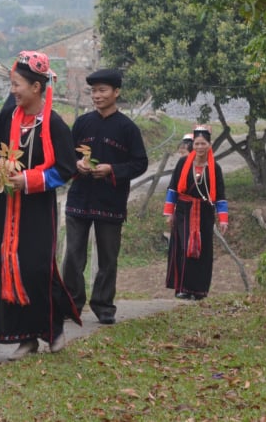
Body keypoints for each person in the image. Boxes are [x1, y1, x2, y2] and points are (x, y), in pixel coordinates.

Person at [0, 51, 81, 361]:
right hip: (7, 206)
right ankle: (24, 337)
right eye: (12, 84)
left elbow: (66, 168)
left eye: (17, 85)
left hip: (38, 209)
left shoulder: (55, 125)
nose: (13, 91)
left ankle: (52, 327)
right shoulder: (7, 118)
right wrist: (0, 169)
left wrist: (29, 180)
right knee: (8, 266)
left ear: (36, 87)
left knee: (35, 268)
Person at [62, 69, 149, 325]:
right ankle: (71, 304)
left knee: (108, 258)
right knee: (73, 256)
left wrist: (112, 169)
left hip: (110, 202)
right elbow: (66, 154)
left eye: (102, 90)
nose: (97, 96)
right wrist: (77, 164)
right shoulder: (82, 123)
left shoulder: (127, 128)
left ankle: (103, 305)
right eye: (93, 91)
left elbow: (140, 163)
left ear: (116, 92)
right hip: (79, 198)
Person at [163, 124, 229, 300]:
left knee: (203, 249)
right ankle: (183, 288)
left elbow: (220, 196)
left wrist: (223, 219)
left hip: (205, 213)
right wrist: (169, 212)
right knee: (185, 247)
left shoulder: (215, 168)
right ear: (192, 145)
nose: (199, 147)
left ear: (209, 145)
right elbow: (173, 189)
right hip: (184, 211)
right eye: (196, 144)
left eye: (203, 144)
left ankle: (199, 290)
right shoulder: (183, 163)